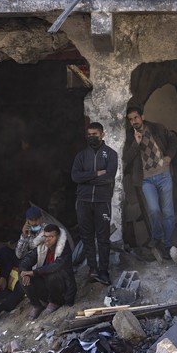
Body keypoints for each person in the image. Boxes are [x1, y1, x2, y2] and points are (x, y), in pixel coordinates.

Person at [123, 106, 177, 261]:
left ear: (142, 117)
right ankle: (158, 237)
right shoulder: (129, 136)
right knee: (153, 209)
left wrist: (169, 156)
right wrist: (136, 142)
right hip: (146, 179)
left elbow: (173, 139)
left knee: (168, 212)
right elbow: (126, 158)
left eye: (136, 117)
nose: (134, 121)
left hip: (164, 175)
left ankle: (169, 244)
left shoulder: (157, 128)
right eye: (131, 119)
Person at [71, 122, 118, 285]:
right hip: (83, 201)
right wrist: (96, 173)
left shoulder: (111, 154)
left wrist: (87, 178)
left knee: (103, 238)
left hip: (102, 201)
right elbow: (75, 177)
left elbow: (109, 177)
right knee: (87, 237)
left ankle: (104, 271)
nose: (92, 137)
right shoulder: (81, 155)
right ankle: (93, 270)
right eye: (89, 134)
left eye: (95, 134)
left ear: (102, 134)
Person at [19, 224, 76, 320]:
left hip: (63, 292)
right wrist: (25, 272)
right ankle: (37, 305)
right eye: (45, 236)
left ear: (57, 237)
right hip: (46, 289)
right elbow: (26, 260)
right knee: (22, 275)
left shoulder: (64, 249)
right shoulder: (42, 247)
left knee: (52, 274)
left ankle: (55, 302)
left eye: (51, 237)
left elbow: (55, 266)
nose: (47, 240)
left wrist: (33, 272)